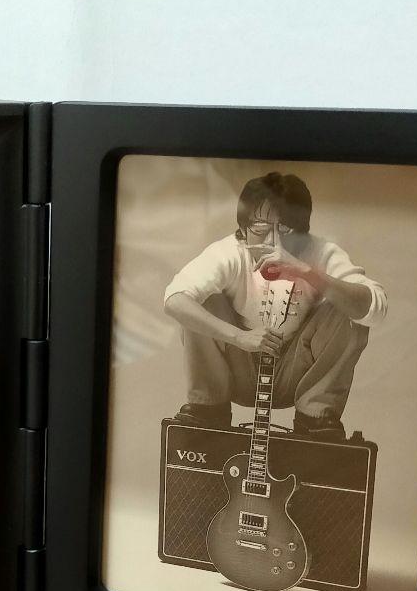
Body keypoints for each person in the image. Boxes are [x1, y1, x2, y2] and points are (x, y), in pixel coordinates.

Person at [163, 172, 387, 442]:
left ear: (304, 231)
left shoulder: (322, 251)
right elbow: (174, 299)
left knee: (347, 307)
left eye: (286, 231)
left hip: (295, 373)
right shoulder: (229, 252)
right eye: (260, 229)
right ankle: (208, 408)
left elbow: (374, 309)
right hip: (238, 371)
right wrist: (240, 337)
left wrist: (307, 272)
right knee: (202, 301)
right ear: (244, 229)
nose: (273, 243)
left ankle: (316, 416)